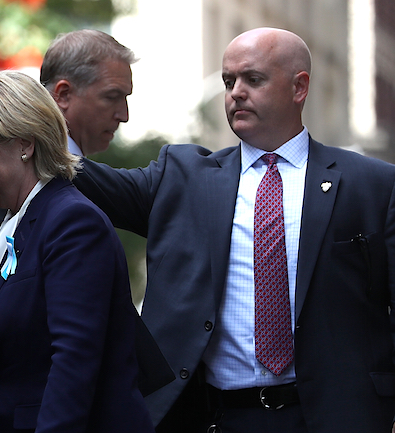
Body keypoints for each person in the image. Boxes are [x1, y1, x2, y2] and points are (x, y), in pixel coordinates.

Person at [73, 27, 395, 433]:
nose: (236, 92)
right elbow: (84, 179)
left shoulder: (373, 185)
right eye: (229, 81)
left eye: (253, 79)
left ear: (299, 87)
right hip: (213, 418)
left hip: (333, 417)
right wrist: (21, 118)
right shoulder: (181, 176)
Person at [0, 70, 155, 433]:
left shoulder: (72, 223)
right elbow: (35, 329)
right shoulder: (19, 220)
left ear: (25, 143)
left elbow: (75, 363)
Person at [0, 27, 135, 350]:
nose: (123, 115)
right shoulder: (0, 187)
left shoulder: (57, 184)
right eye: (112, 96)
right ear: (63, 94)